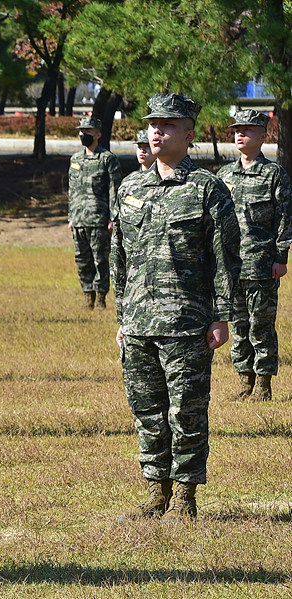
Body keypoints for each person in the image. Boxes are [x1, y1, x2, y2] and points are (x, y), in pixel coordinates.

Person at [113, 93, 240, 521]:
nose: (156, 130)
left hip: (187, 323)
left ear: (189, 134)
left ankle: (185, 496)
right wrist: (121, 319)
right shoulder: (130, 186)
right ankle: (156, 492)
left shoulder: (207, 188)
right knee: (146, 411)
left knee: (186, 412)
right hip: (137, 323)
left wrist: (221, 317)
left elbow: (226, 258)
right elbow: (120, 258)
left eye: (167, 124)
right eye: (153, 123)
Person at [217, 109, 292, 402]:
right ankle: (244, 381)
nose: (240, 134)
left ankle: (263, 385)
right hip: (232, 267)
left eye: (247, 130)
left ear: (263, 135)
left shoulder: (274, 174)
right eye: (237, 129)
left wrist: (281, 257)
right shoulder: (224, 175)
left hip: (262, 265)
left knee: (261, 326)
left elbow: (285, 217)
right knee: (239, 327)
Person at [67, 116, 123, 310]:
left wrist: (112, 218)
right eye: (81, 131)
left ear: (98, 134)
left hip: (99, 220)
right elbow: (72, 190)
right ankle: (87, 297)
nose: (84, 134)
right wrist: (71, 217)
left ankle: (100, 298)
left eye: (88, 131)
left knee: (100, 260)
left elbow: (114, 190)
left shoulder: (107, 159)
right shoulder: (75, 159)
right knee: (82, 260)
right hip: (79, 219)